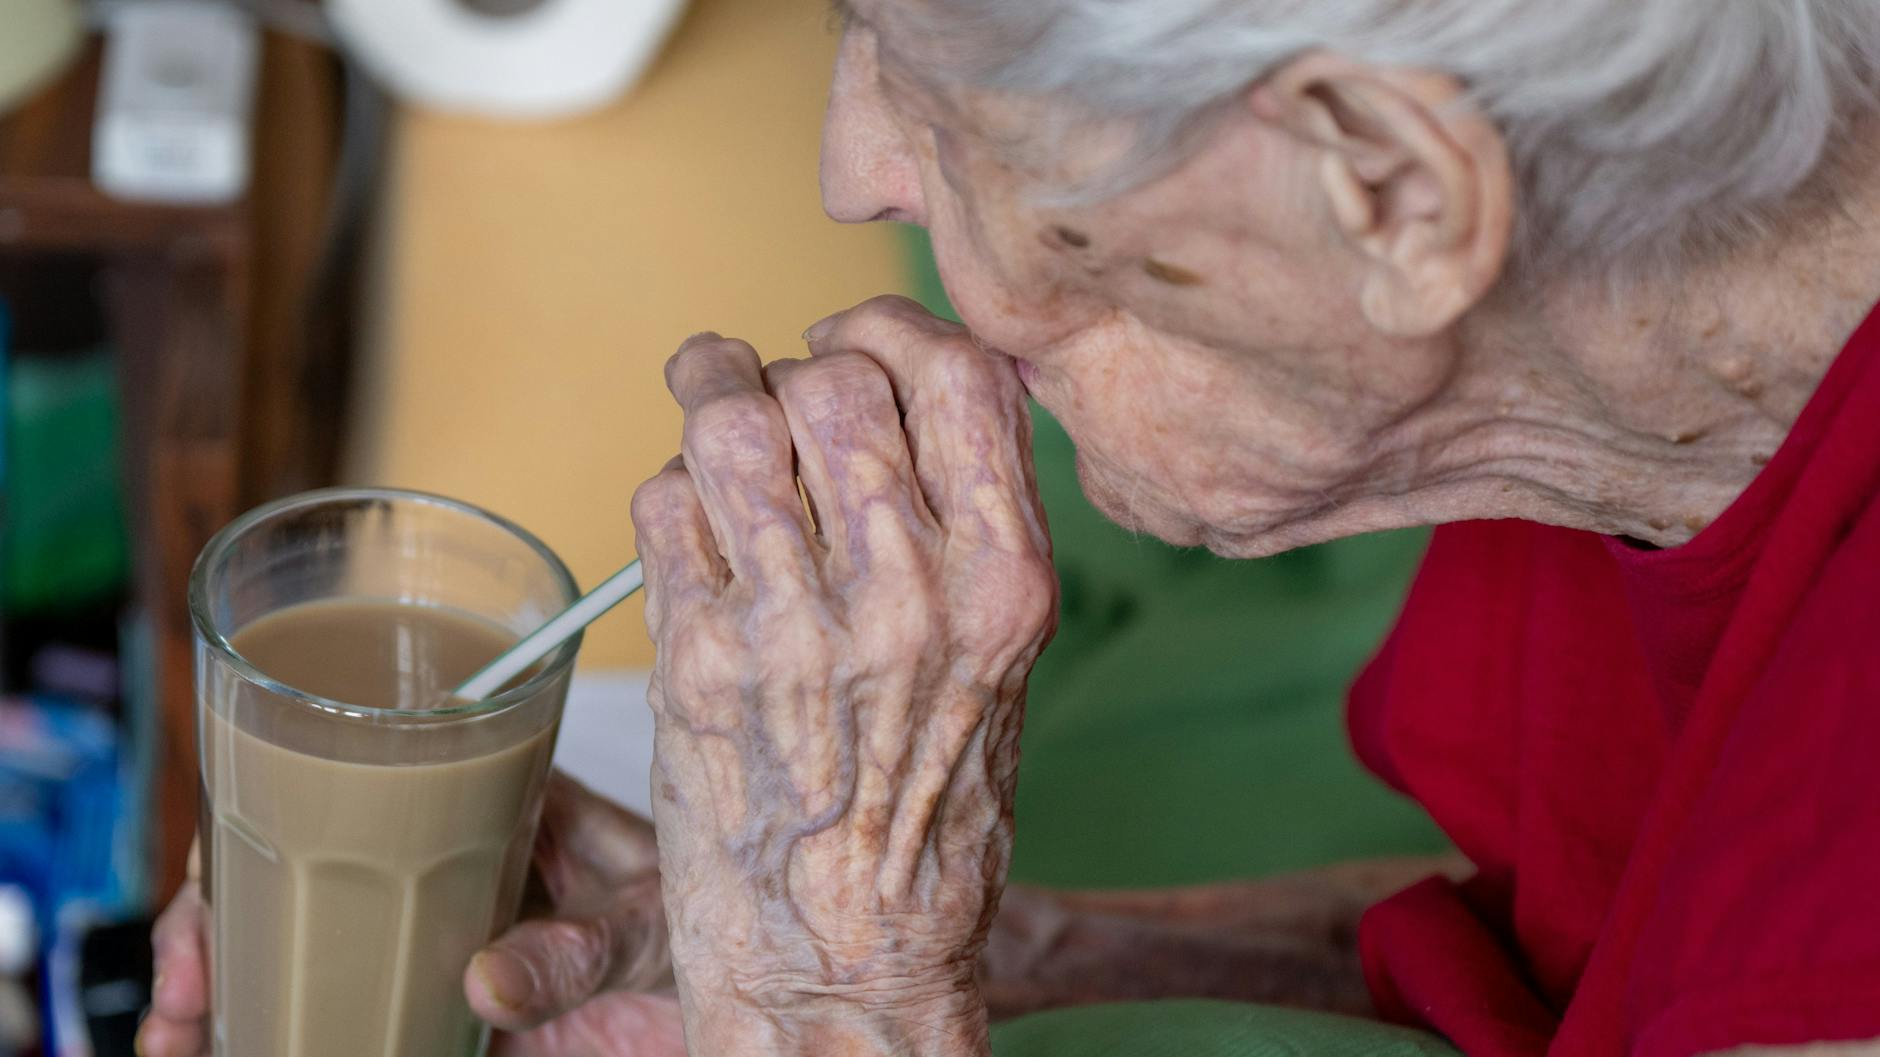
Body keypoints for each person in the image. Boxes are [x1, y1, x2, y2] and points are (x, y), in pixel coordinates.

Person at [141, 0, 1880, 1055]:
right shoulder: (1637, 418)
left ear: (1397, 192)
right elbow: (1574, 971)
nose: (851, 170)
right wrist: (938, 948)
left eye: (934, 83)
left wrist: (836, 988)